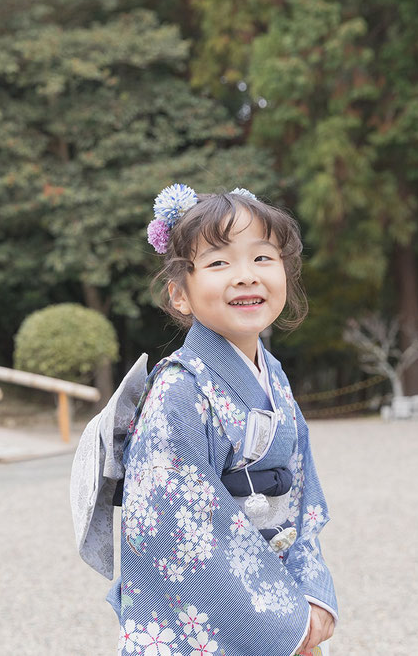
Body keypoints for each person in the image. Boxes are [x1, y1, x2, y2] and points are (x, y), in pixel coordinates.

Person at [77, 184, 338, 656]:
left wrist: (310, 594)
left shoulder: (274, 377)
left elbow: (302, 497)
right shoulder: (178, 392)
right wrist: (279, 618)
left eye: (263, 258)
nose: (246, 277)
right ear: (180, 294)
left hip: (280, 593)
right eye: (219, 263)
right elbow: (178, 529)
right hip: (215, 615)